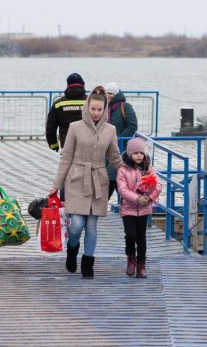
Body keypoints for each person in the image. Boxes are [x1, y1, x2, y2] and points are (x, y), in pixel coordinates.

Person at [50, 86, 122, 279]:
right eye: (93, 109)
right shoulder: (75, 127)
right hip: (76, 179)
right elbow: (65, 157)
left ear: (105, 109)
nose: (96, 113)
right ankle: (72, 249)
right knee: (76, 225)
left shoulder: (110, 130)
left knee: (91, 227)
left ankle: (88, 263)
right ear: (87, 107)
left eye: (100, 109)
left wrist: (132, 170)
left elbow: (114, 157)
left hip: (99, 179)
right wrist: (56, 185)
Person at [116, 137, 162, 278]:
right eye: (136, 153)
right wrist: (137, 198)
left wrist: (149, 198)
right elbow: (122, 190)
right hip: (128, 208)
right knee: (130, 235)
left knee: (141, 237)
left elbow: (158, 185)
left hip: (144, 208)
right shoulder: (123, 170)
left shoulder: (148, 168)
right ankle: (131, 260)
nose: (139, 156)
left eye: (141, 153)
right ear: (130, 153)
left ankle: (141, 265)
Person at [105, 82, 138, 200]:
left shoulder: (125, 106)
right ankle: (128, 203)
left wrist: (118, 139)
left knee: (111, 176)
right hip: (105, 149)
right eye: (106, 93)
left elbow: (132, 126)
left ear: (116, 94)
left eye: (111, 93)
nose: (108, 96)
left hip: (120, 148)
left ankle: (100, 209)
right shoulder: (103, 107)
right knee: (110, 178)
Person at [45, 73, 87, 152]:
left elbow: (51, 127)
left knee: (66, 163)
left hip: (66, 143)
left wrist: (53, 144)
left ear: (67, 85)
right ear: (83, 85)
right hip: (87, 143)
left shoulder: (58, 104)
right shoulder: (90, 102)